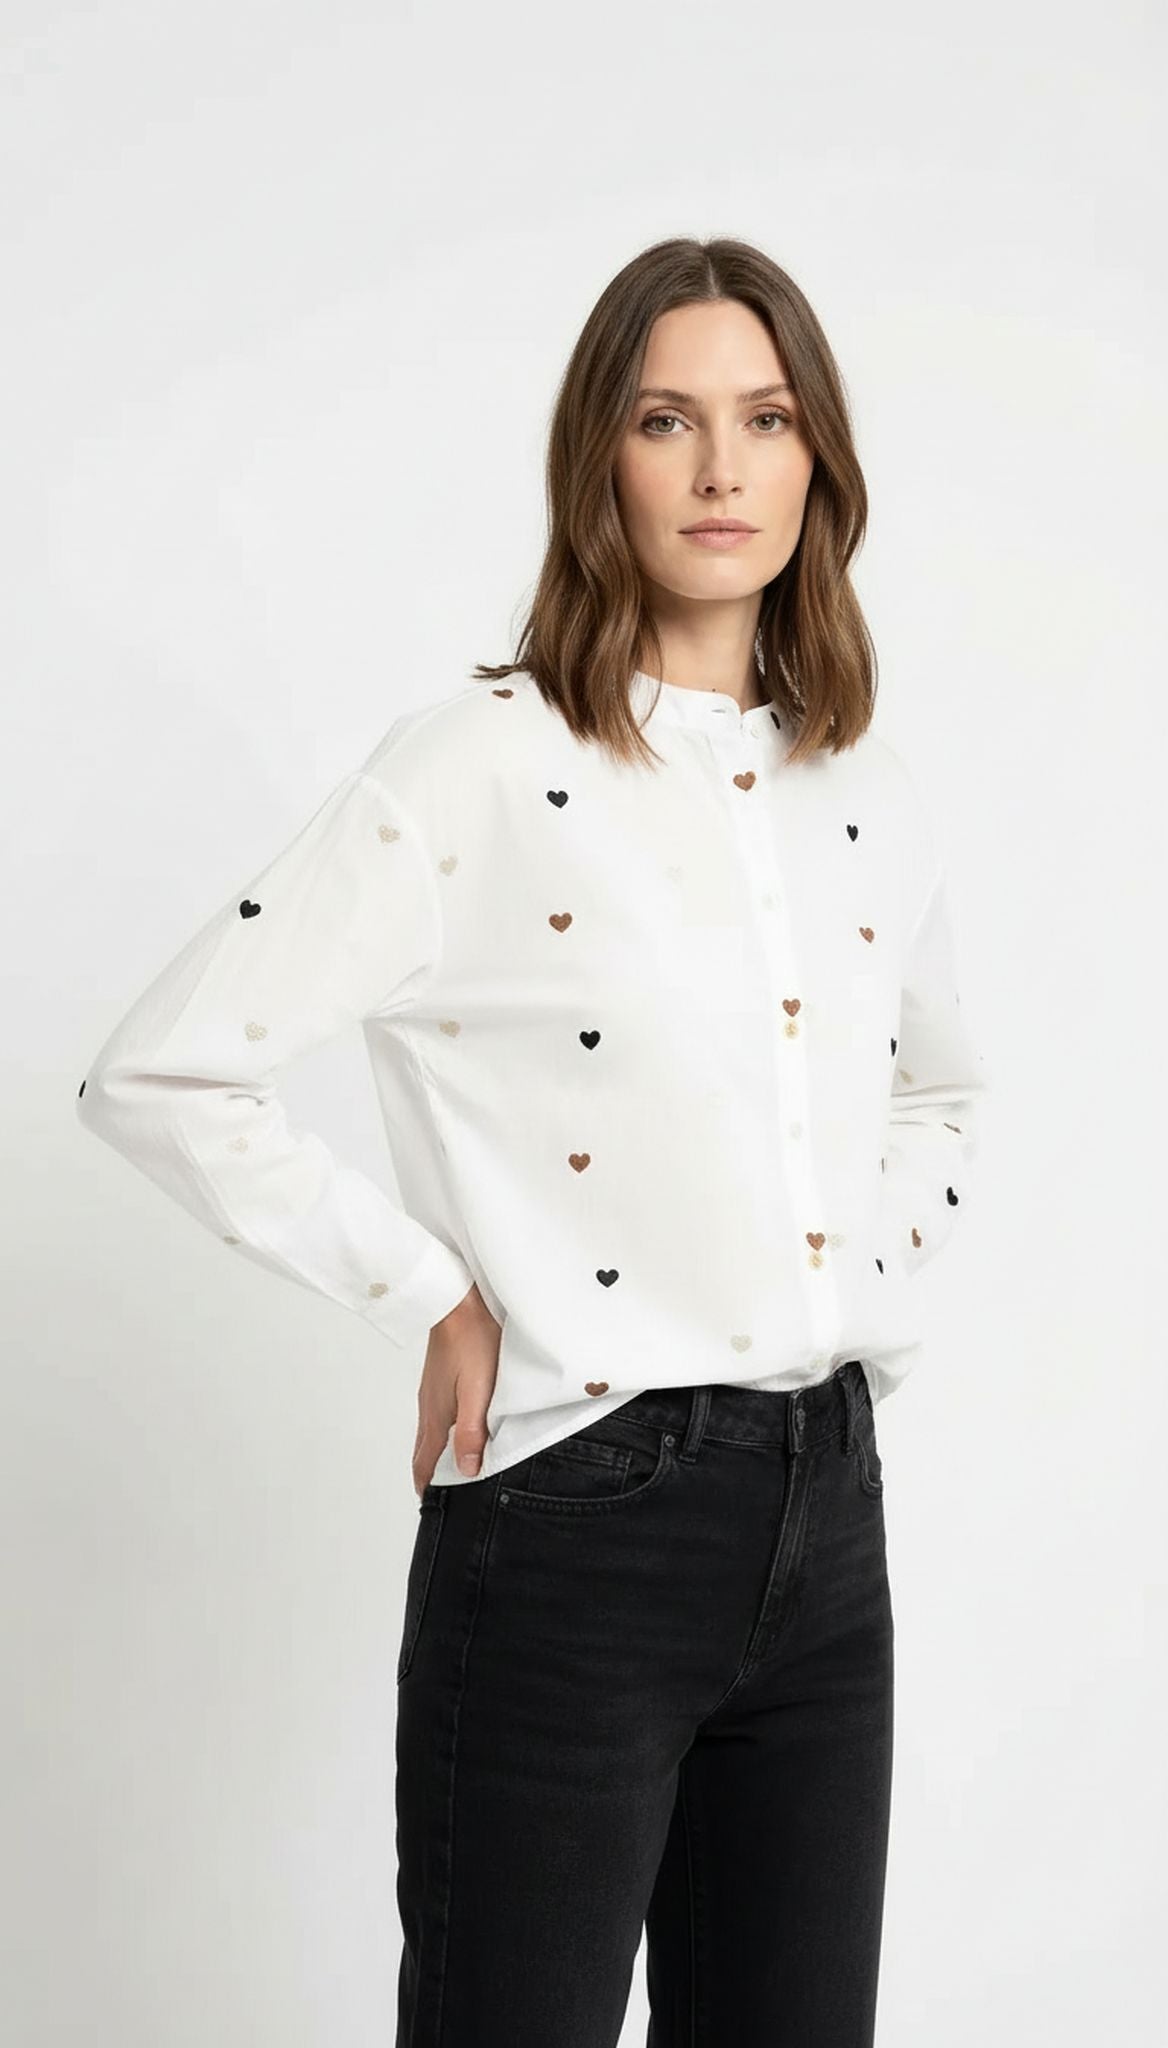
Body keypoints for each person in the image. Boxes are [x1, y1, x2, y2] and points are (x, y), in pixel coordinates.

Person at [78, 235, 989, 2047]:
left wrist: (849, 1284)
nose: (722, 470)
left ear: (821, 461)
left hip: (828, 1529)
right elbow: (162, 1070)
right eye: (667, 421)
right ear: (600, 461)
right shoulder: (476, 767)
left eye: (767, 419)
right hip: (578, 1526)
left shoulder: (860, 790)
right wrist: (429, 1287)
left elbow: (939, 1090)